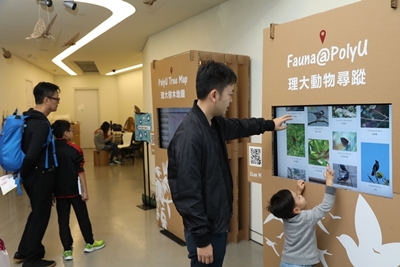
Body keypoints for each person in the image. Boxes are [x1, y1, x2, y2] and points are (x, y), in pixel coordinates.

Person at [167, 60, 292, 267]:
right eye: (230, 94)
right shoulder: (189, 136)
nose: (231, 100)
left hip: (215, 224)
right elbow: (187, 195)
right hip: (205, 232)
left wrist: (270, 124)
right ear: (214, 95)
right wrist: (202, 240)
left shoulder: (212, 123)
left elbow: (239, 126)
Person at [13, 82, 60, 267]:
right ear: (46, 100)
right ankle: (32, 260)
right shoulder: (41, 124)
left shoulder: (27, 118)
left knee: (36, 214)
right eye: (56, 99)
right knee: (40, 216)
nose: (58, 103)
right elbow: (32, 154)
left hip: (32, 174)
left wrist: (22, 175)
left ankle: (23, 252)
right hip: (39, 174)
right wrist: (22, 175)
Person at [51, 120, 105, 261]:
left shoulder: (50, 150)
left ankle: (67, 250)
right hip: (75, 190)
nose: (72, 132)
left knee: (63, 220)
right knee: (82, 216)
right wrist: (85, 191)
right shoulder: (75, 149)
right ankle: (90, 243)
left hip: (58, 192)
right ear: (65, 133)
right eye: (71, 130)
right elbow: (80, 172)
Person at [267, 164, 336, 267]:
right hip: (302, 264)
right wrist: (329, 181)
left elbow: (293, 209)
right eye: (298, 197)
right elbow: (326, 205)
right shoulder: (307, 218)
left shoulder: (285, 216)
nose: (300, 196)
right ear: (296, 210)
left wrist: (299, 192)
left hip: (286, 262)